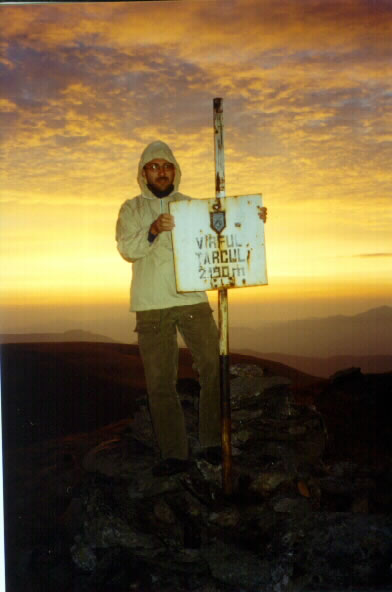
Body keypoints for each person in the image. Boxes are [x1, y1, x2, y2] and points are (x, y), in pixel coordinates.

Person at [116, 140, 267, 476]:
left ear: (175, 171)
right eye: (154, 166)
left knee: (213, 364)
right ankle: (174, 454)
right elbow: (127, 249)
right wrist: (153, 230)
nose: (161, 172)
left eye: (167, 166)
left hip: (192, 299)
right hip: (151, 304)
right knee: (159, 381)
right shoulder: (131, 209)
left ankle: (212, 442)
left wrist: (251, 219)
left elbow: (223, 231)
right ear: (143, 172)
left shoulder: (191, 207)